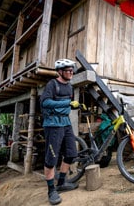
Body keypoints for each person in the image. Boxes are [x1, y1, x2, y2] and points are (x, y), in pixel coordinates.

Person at [40, 59, 86, 205]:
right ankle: (51, 190)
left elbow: (67, 104)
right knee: (51, 159)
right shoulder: (52, 84)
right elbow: (45, 102)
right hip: (53, 124)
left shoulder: (70, 87)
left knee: (71, 154)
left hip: (65, 123)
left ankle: (61, 183)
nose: (71, 73)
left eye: (72, 70)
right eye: (68, 70)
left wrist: (75, 106)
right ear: (60, 72)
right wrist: (67, 103)